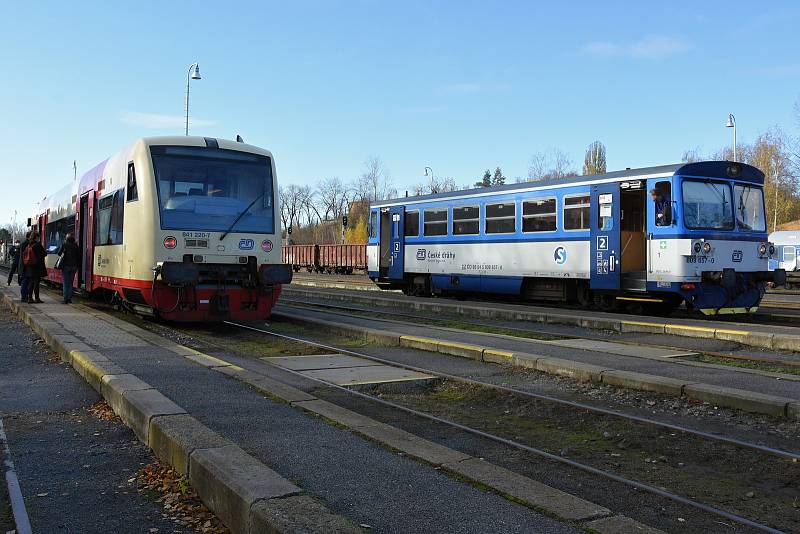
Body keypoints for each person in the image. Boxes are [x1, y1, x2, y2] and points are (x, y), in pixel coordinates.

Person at [22, 232, 45, 303]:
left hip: (29, 266)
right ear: (36, 237)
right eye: (38, 237)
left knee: (31, 283)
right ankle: (37, 298)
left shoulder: (29, 245)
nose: (39, 238)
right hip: (36, 266)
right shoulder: (37, 245)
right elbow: (44, 253)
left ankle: (30, 298)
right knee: (36, 283)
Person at [57, 233, 80, 304]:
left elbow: (59, 253)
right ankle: (69, 299)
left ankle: (65, 299)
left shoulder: (64, 244)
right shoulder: (76, 245)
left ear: (66, 238)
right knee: (70, 283)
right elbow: (78, 256)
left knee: (65, 283)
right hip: (74, 267)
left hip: (66, 266)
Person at [18, 232, 31, 302]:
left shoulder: (23, 244)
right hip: (26, 266)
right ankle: (24, 297)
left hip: (23, 265)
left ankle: (24, 297)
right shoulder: (27, 244)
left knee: (24, 281)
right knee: (25, 282)